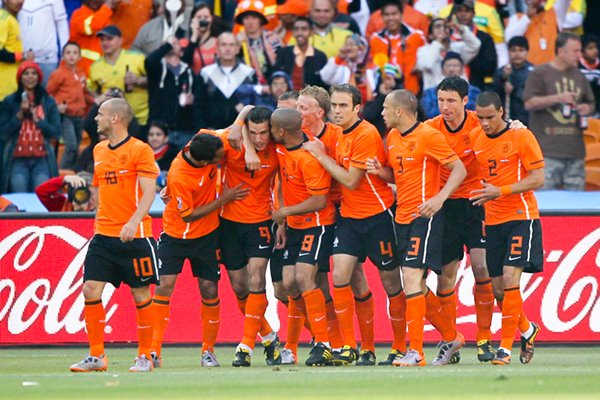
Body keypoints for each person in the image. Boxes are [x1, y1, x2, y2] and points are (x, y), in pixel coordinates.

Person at [303, 84, 402, 366]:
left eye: (343, 106)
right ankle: (349, 347)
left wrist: (320, 155)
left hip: (377, 216)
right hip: (348, 216)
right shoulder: (338, 134)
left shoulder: (366, 134)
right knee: (340, 276)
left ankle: (393, 346)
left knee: (391, 283)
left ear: (357, 108)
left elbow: (351, 180)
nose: (337, 111)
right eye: (334, 105)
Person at [368, 89, 467, 367]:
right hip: (401, 218)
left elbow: (459, 169)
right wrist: (380, 171)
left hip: (424, 217)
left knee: (411, 280)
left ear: (400, 111)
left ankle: (417, 352)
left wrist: (438, 199)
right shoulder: (394, 138)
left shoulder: (428, 135)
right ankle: (451, 335)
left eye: (386, 108)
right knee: (416, 286)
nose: (382, 113)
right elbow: (399, 176)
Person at [69, 98, 159, 373]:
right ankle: (97, 356)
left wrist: (133, 222)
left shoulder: (139, 150)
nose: (96, 119)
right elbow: (99, 190)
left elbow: (149, 192)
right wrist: (98, 220)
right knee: (90, 289)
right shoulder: (97, 150)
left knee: (141, 294)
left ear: (116, 119)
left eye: (100, 114)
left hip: (136, 236)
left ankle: (145, 355)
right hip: (104, 236)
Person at [150, 132, 249, 369]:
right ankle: (153, 349)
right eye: (218, 157)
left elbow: (231, 127)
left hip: (207, 236)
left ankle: (208, 350)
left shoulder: (202, 140)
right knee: (164, 286)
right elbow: (189, 215)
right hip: (176, 234)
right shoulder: (179, 175)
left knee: (209, 289)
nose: (222, 156)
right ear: (205, 162)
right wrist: (223, 199)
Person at [295, 85, 374, 365]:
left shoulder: (340, 134)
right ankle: (334, 342)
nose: (297, 112)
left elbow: (351, 178)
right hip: (316, 218)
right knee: (314, 279)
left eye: (302, 108)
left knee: (354, 276)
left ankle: (365, 347)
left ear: (319, 112)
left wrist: (319, 154)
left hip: (346, 212)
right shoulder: (295, 136)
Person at [469, 90, 544, 366]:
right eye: (481, 118)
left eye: (490, 117)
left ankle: (505, 348)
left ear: (502, 112)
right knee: (499, 289)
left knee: (512, 281)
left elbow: (538, 178)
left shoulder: (520, 135)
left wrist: (500, 191)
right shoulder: (476, 136)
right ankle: (527, 329)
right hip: (493, 221)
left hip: (521, 217)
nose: (485, 123)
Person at [424, 76, 495, 364]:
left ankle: (484, 339)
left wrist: (516, 125)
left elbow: (507, 133)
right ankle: (449, 339)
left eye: (451, 100)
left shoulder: (481, 122)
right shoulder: (430, 129)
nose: (445, 106)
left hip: (476, 203)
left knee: (481, 266)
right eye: (441, 100)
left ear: (465, 101)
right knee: (445, 278)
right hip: (446, 207)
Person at [210, 106, 282, 368]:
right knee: (239, 287)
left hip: (261, 221)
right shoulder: (231, 141)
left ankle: (245, 346)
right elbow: (197, 146)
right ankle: (269, 336)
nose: (260, 138)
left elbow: (285, 181)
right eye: (254, 133)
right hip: (229, 222)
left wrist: (281, 218)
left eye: (264, 133)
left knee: (256, 278)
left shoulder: (278, 146)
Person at [270, 107, 336, 366]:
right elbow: (283, 184)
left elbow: (319, 200)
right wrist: (285, 221)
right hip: (294, 226)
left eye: (272, 129)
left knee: (304, 277)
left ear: (281, 131)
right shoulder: (283, 148)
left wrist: (284, 211)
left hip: (317, 225)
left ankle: (324, 342)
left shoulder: (309, 157)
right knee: (288, 284)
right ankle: (305, 342)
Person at [524, 32, 595, 191]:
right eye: (575, 51)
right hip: (546, 152)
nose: (579, 55)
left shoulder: (579, 76)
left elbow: (591, 103)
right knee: (547, 205)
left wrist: (587, 108)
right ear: (561, 51)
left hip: (575, 151)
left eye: (580, 51)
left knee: (577, 210)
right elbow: (529, 103)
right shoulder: (539, 73)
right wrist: (558, 98)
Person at [0, 61, 60, 194]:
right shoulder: (10, 101)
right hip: (17, 159)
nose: (30, 76)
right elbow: (3, 133)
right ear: (20, 77)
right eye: (26, 73)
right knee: (20, 200)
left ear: (39, 77)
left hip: (42, 159)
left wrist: (39, 120)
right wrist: (20, 116)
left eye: (34, 73)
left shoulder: (48, 101)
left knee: (40, 200)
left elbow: (56, 132)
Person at [88, 25, 149, 127]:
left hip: (140, 118)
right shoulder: (95, 67)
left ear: (120, 40)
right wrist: (101, 97)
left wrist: (137, 80)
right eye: (102, 40)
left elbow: (155, 81)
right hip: (112, 122)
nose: (105, 43)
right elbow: (92, 92)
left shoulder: (137, 58)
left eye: (109, 39)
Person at [145, 36, 199, 149]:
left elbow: (200, 99)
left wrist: (193, 100)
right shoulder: (157, 68)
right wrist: (167, 45)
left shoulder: (189, 72)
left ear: (181, 52)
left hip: (184, 129)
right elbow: (149, 61)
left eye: (175, 43)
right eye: (168, 43)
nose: (171, 44)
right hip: (160, 129)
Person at [47, 42, 92, 171]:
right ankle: (62, 173)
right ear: (63, 56)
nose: (71, 56)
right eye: (68, 53)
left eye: (74, 53)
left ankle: (73, 172)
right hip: (66, 116)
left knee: (76, 146)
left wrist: (96, 100)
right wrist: (56, 106)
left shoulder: (81, 73)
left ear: (79, 57)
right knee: (71, 146)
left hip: (79, 115)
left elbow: (84, 93)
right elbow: (48, 94)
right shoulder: (58, 74)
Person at [197, 32, 256, 129]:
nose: (227, 49)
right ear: (217, 49)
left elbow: (254, 103)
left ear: (237, 49)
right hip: (212, 132)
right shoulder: (205, 73)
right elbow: (199, 105)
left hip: (241, 132)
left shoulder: (249, 73)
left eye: (231, 45)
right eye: (223, 44)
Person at [369, 1, 425, 95]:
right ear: (382, 17)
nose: (390, 18)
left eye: (394, 14)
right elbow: (373, 68)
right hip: (384, 92)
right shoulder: (376, 39)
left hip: (411, 93)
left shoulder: (417, 36)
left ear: (401, 15)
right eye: (387, 14)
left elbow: (424, 64)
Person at [416, 17, 481, 91]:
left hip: (459, 94)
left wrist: (459, 27)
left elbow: (475, 45)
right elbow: (427, 64)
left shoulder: (458, 48)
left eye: (445, 26)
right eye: (438, 26)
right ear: (430, 35)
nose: (442, 29)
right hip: (434, 96)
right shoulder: (424, 50)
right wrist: (438, 42)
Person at [17, 0, 69, 86]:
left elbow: (61, 23)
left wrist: (65, 53)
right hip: (22, 58)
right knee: (23, 98)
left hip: (48, 60)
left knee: (48, 96)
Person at [449, 0, 497, 92]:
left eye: (467, 11)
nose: (463, 14)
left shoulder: (484, 38)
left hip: (475, 87)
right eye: (460, 10)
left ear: (474, 14)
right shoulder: (446, 35)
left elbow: (490, 67)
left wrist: (467, 58)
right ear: (455, 13)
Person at [234, 0, 282, 85]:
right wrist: (237, 46)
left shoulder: (273, 39)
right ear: (242, 21)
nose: (250, 22)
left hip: (275, 86)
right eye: (246, 18)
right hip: (249, 87)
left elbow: (283, 63)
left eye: (254, 17)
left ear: (261, 20)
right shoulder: (237, 42)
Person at [421, 52, 481, 119]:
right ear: (442, 69)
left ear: (462, 69)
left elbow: (476, 111)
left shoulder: (474, 91)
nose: (451, 69)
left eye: (455, 66)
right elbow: (428, 112)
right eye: (448, 65)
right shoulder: (430, 92)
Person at [274, 16, 328, 91]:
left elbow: (323, 84)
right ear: (292, 32)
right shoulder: (283, 53)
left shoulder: (320, 56)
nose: (299, 33)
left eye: (304, 29)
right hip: (286, 98)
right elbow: (275, 77)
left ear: (311, 32)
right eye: (296, 29)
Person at [320, 34, 376, 103]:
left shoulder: (373, 68)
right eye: (346, 44)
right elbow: (326, 78)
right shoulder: (340, 66)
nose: (348, 48)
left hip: (369, 109)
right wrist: (339, 58)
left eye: (352, 44)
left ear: (362, 48)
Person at [69, 0, 119, 75]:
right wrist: (107, 6)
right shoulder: (79, 15)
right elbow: (94, 25)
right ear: (93, 3)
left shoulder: (104, 15)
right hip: (82, 72)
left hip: (101, 71)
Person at [493, 36, 534, 125]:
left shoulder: (533, 72)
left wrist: (514, 90)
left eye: (521, 50)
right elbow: (494, 93)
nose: (517, 54)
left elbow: (531, 95)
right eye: (513, 50)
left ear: (527, 52)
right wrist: (503, 78)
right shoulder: (502, 71)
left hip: (527, 117)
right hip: (507, 116)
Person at [0, 0, 28, 101]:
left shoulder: (11, 18)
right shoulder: (2, 19)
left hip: (12, 85)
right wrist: (23, 56)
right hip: (3, 89)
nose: (20, 1)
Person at [184, 3, 222, 74]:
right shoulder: (185, 43)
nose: (202, 20)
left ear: (211, 19)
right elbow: (185, 64)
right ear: (193, 19)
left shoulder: (219, 42)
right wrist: (194, 37)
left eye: (206, 17)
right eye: (199, 17)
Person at [147, 121, 178, 187]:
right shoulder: (142, 152)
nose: (154, 138)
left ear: (166, 138)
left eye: (158, 134)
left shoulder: (175, 154)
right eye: (151, 134)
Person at [579, 34, 600, 117]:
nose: (595, 51)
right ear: (582, 52)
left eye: (596, 47)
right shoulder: (576, 66)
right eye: (590, 48)